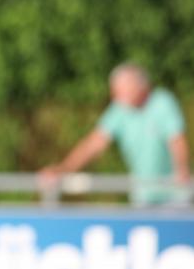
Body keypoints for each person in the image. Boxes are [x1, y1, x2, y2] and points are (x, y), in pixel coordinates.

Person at [40, 63, 190, 206]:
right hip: (144, 196)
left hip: (174, 196)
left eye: (122, 90)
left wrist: (182, 169)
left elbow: (177, 140)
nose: (116, 95)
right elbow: (94, 144)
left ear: (140, 86)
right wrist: (63, 169)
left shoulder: (162, 102)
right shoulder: (120, 109)